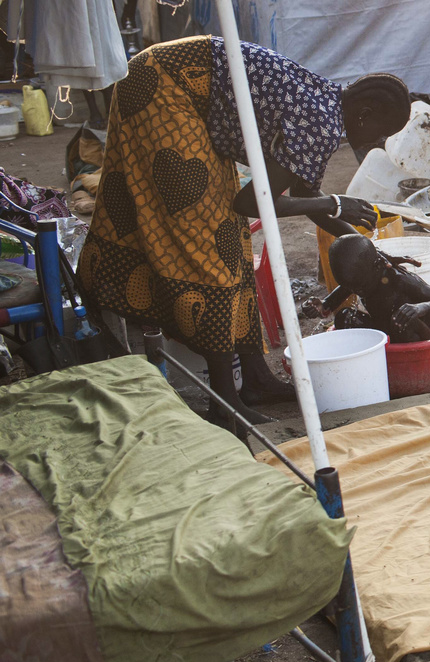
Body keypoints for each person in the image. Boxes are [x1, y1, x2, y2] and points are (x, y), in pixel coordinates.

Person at [77, 35, 411, 426]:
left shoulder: (326, 105)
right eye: (379, 132)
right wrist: (337, 204)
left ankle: (254, 378)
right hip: (162, 89)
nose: (377, 142)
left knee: (232, 236)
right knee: (206, 241)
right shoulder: (320, 121)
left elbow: (304, 192)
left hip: (183, 94)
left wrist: (363, 245)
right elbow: (253, 203)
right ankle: (225, 404)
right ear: (363, 112)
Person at [310, 234, 430, 343]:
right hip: (388, 335)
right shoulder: (359, 280)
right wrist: (321, 306)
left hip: (424, 340)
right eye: (351, 287)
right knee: (345, 317)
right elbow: (329, 305)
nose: (358, 292)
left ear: (377, 267)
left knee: (401, 320)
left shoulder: (399, 279)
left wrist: (422, 308)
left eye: (361, 287)